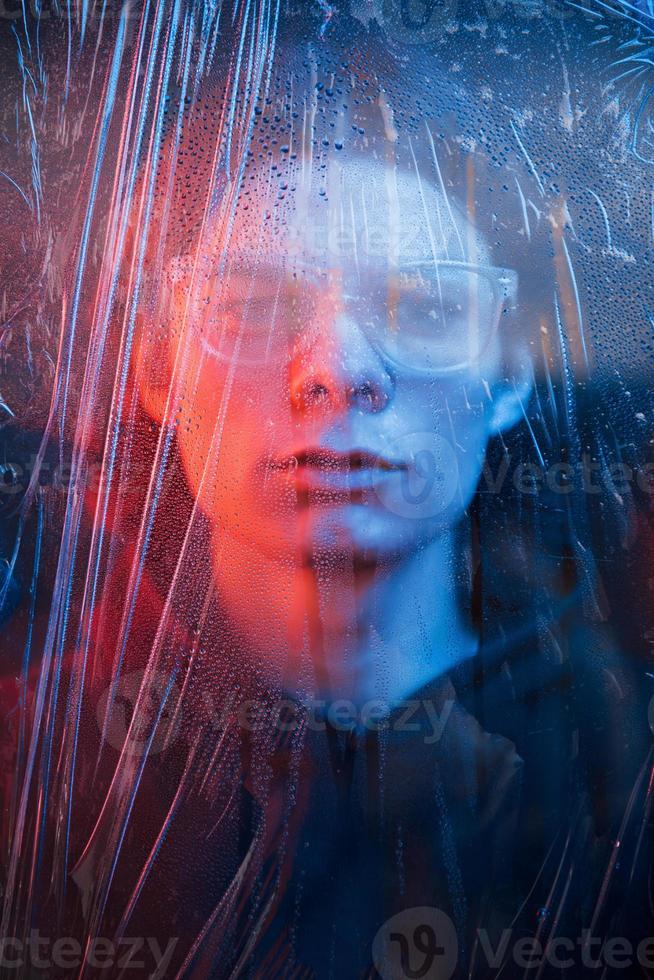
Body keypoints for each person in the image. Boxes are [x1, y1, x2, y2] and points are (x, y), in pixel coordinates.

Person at [2, 15, 651, 980]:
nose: (339, 373)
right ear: (154, 367)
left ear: (512, 368)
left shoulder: (622, 761)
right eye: (254, 305)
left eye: (426, 303)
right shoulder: (34, 766)